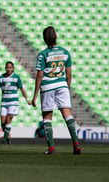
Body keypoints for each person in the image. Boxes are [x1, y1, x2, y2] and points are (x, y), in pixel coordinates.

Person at [32, 26, 81, 155]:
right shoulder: (65, 52)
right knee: (67, 114)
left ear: (44, 39)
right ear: (56, 37)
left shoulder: (43, 54)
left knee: (47, 117)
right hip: (62, 85)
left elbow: (40, 75)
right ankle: (76, 143)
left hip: (48, 86)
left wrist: (35, 95)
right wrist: (66, 87)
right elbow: (69, 74)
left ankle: (51, 148)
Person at [0, 62, 31, 144]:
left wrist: (27, 99)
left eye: (10, 67)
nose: (9, 69)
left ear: (13, 68)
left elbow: (22, 89)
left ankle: (4, 139)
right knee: (3, 122)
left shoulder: (16, 77)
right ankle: (8, 136)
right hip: (4, 102)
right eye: (7, 67)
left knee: (9, 119)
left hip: (13, 102)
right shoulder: (1, 78)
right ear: (5, 68)